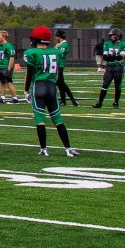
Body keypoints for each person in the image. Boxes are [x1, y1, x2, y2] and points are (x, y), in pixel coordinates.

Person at [17, 26, 79, 157]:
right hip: (51, 87)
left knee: (40, 119)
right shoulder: (56, 52)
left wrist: (26, 90)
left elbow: (29, 73)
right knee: (58, 119)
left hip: (38, 86)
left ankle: (44, 149)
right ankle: (68, 149)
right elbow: (58, 73)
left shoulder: (31, 52)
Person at [95, 29, 125, 108]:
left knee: (117, 85)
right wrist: (115, 58)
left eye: (113, 35)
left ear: (118, 36)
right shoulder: (107, 43)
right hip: (109, 67)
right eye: (110, 35)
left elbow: (120, 57)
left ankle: (116, 103)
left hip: (119, 67)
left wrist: (112, 58)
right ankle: (99, 102)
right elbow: (105, 57)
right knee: (105, 84)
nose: (111, 37)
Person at [0, 31, 19, 104]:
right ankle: (2, 97)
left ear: (3, 37)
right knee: (2, 83)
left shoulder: (9, 46)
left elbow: (12, 58)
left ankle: (15, 98)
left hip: (6, 66)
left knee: (9, 82)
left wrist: (9, 68)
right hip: (0, 67)